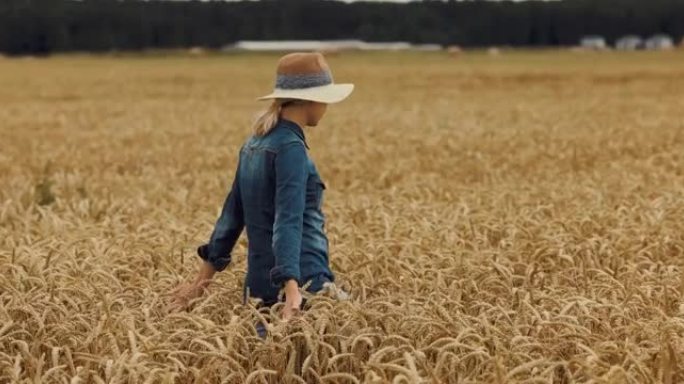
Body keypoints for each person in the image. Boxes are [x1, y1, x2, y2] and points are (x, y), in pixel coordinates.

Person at [168, 52, 354, 328]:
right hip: (305, 282)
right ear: (313, 99)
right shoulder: (291, 148)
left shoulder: (253, 144)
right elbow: (288, 219)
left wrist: (200, 283)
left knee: (266, 362)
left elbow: (231, 218)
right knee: (351, 339)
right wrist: (292, 288)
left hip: (258, 285)